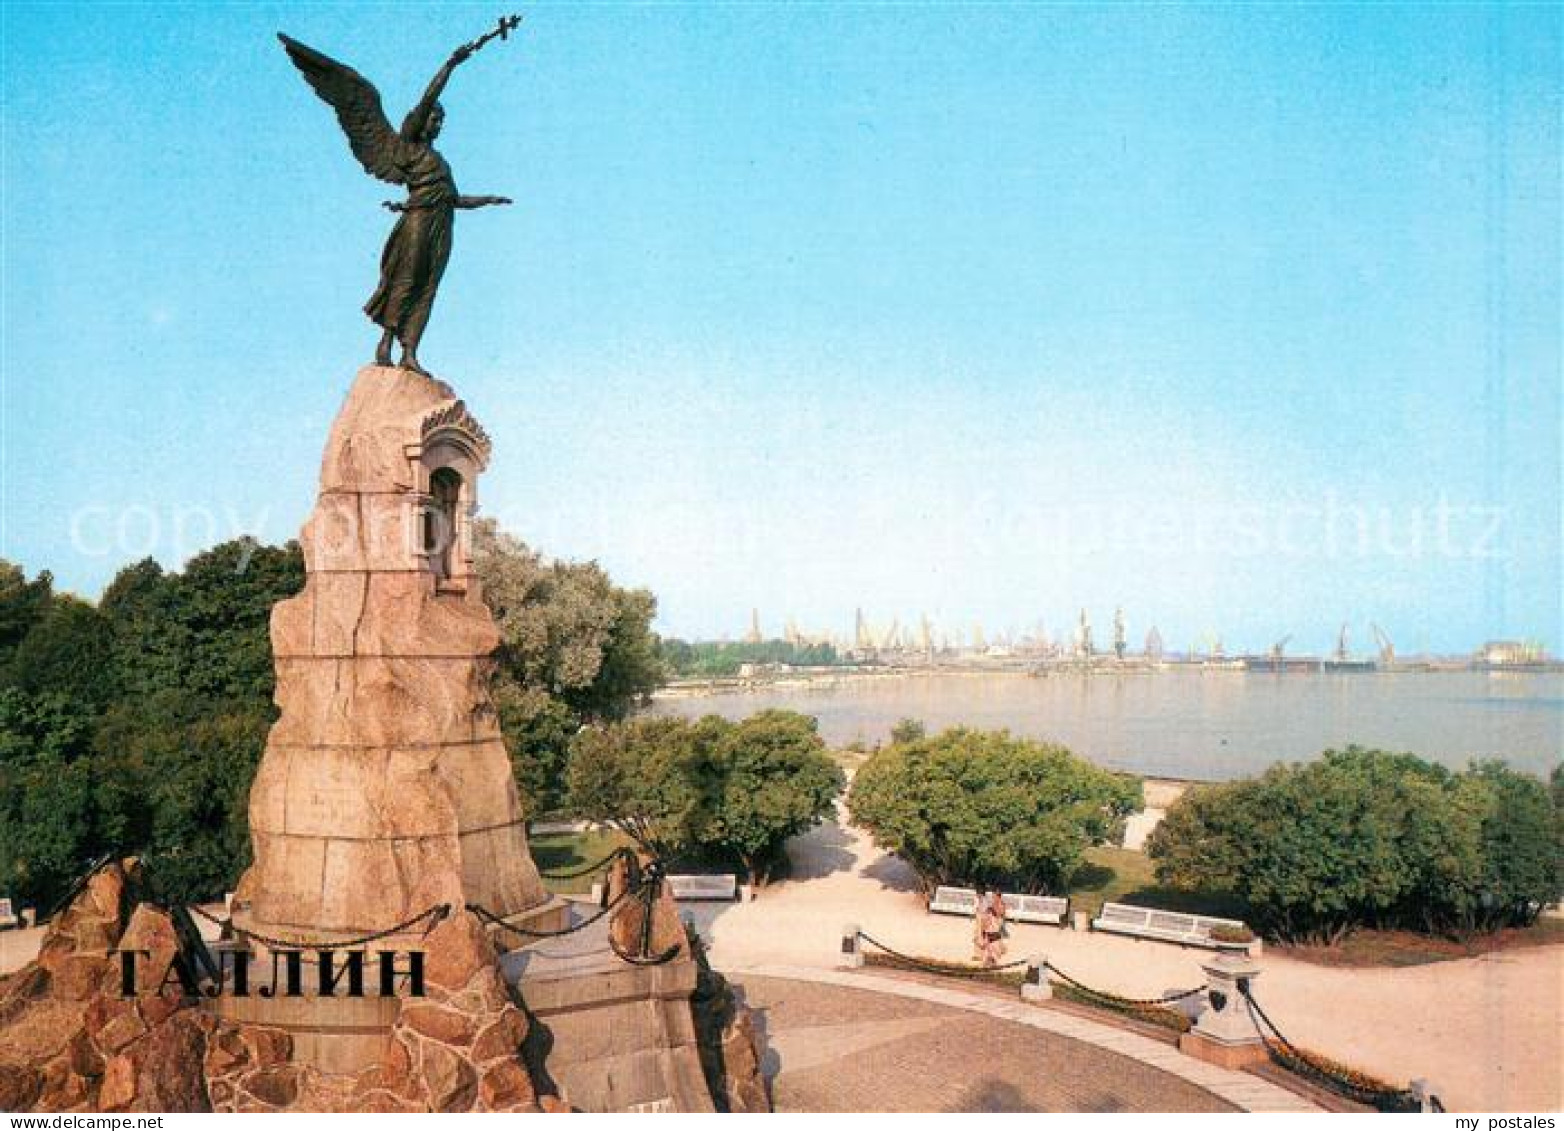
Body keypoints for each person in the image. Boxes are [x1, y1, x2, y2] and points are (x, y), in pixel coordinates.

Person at [973, 888, 1008, 967]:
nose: (993, 898)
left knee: (992, 945)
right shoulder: (993, 905)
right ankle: (988, 961)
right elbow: (987, 915)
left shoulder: (1001, 904)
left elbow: (1000, 914)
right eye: (992, 896)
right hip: (991, 928)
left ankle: (990, 960)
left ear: (998, 896)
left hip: (995, 927)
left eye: (994, 896)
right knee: (988, 946)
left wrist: (992, 911)